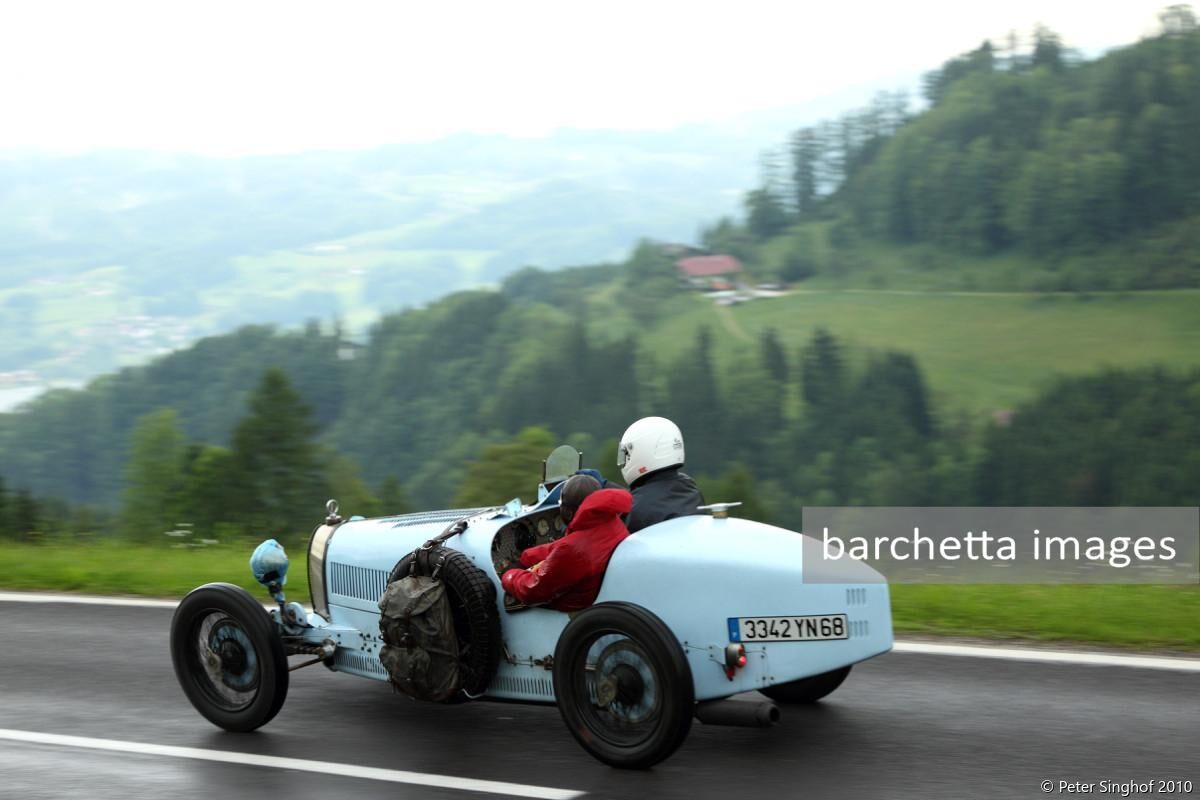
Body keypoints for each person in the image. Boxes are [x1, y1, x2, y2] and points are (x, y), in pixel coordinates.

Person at [500, 474, 633, 611]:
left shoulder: (572, 549)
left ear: (569, 512)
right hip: (603, 599)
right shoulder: (611, 522)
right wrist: (526, 557)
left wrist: (509, 575)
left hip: (575, 610)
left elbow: (532, 590)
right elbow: (566, 546)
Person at [618, 416, 705, 533]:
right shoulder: (690, 489)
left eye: (626, 453)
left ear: (641, 451)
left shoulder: (635, 509)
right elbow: (652, 494)